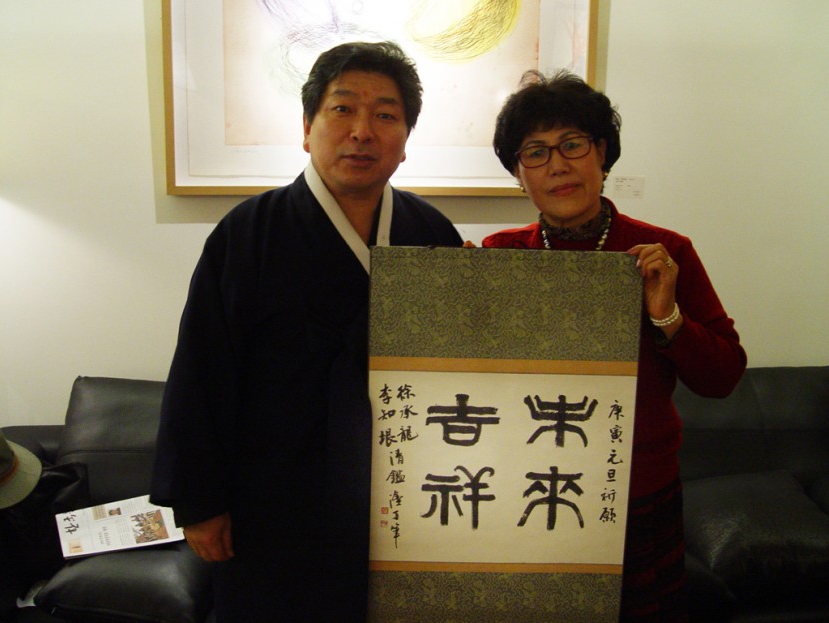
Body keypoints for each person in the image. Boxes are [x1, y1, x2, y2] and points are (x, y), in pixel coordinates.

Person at [150, 41, 463, 622]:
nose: (362, 131)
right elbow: (202, 371)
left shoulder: (431, 233)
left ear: (405, 140)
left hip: (402, 498)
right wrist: (200, 502)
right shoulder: (248, 233)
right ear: (306, 127)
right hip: (272, 505)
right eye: (342, 109)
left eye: (385, 115)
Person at [481, 70, 747, 622]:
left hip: (635, 495)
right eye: (535, 152)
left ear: (602, 153)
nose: (557, 165)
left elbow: (723, 377)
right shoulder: (499, 255)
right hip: (526, 489)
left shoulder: (664, 253)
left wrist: (667, 315)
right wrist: (456, 303)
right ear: (518, 175)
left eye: (573, 144)